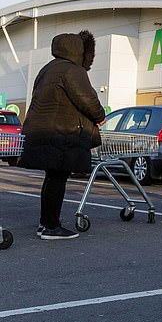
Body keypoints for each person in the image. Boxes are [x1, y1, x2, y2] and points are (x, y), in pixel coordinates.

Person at [19, 30, 106, 239]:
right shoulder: (72, 70)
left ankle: (45, 223)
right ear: (77, 49)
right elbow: (86, 98)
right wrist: (100, 116)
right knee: (58, 177)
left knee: (52, 178)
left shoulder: (47, 69)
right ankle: (51, 226)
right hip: (62, 133)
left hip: (44, 131)